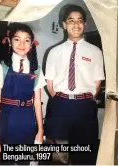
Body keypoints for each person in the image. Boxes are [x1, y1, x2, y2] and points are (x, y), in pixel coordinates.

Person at [44, 4, 105, 165]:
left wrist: (83, 98)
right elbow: (49, 84)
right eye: (71, 20)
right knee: (57, 156)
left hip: (85, 107)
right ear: (64, 24)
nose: (76, 24)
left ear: (84, 24)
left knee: (84, 154)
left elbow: (97, 82)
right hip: (60, 106)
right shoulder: (54, 52)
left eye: (80, 21)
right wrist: (61, 100)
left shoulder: (95, 52)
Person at [0, 22, 46, 165]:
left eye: (26, 40)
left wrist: (40, 130)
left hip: (27, 122)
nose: (22, 44)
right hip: (6, 122)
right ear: (9, 41)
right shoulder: (1, 67)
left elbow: (37, 104)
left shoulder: (37, 70)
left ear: (32, 43)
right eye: (17, 39)